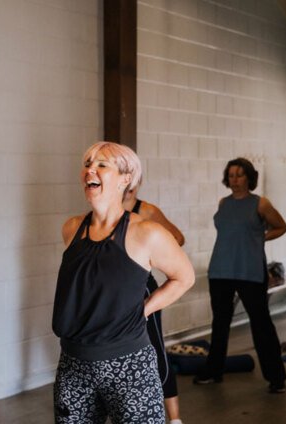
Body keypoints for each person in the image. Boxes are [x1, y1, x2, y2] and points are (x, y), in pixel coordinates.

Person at [52, 141, 195, 423]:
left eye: (101, 165)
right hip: (73, 363)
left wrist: (144, 309)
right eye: (87, 164)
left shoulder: (147, 232)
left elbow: (184, 277)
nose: (90, 170)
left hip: (128, 365)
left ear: (125, 179)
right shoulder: (71, 228)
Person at [193, 157, 286, 394]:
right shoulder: (223, 203)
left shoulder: (260, 203)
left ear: (249, 177)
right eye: (232, 175)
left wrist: (260, 238)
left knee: (261, 323)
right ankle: (214, 371)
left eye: (240, 174)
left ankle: (276, 378)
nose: (235, 179)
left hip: (250, 271)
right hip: (221, 269)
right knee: (220, 323)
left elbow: (281, 226)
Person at [123, 185, 185, 424]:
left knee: (156, 348)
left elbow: (178, 238)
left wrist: (152, 255)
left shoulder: (146, 210)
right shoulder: (109, 210)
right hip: (119, 291)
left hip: (143, 288)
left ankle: (175, 418)